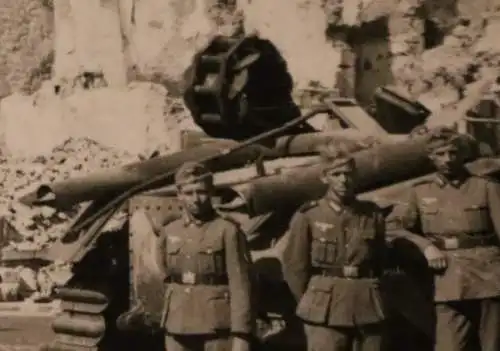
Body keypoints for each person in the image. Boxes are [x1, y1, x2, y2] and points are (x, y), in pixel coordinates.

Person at [391, 126, 500, 351]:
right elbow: (392, 227)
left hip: (489, 277)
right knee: (448, 346)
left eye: (452, 153)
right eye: (440, 154)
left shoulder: (485, 187)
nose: (447, 159)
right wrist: (426, 246)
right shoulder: (420, 191)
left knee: (492, 345)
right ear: (431, 158)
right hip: (447, 280)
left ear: (461, 154)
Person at [281, 142, 389, 351]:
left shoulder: (372, 214)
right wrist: (312, 301)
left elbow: (380, 261)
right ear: (324, 178)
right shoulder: (309, 215)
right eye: (336, 174)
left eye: (348, 174)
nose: (343, 180)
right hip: (324, 309)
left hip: (366, 304)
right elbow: (294, 267)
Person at [155, 161, 254, 351]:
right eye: (189, 193)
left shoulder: (227, 230)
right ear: (179, 195)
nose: (195, 199)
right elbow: (164, 274)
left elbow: (240, 284)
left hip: (216, 326)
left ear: (210, 193)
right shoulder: (169, 231)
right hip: (178, 323)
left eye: (201, 192)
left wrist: (241, 334)